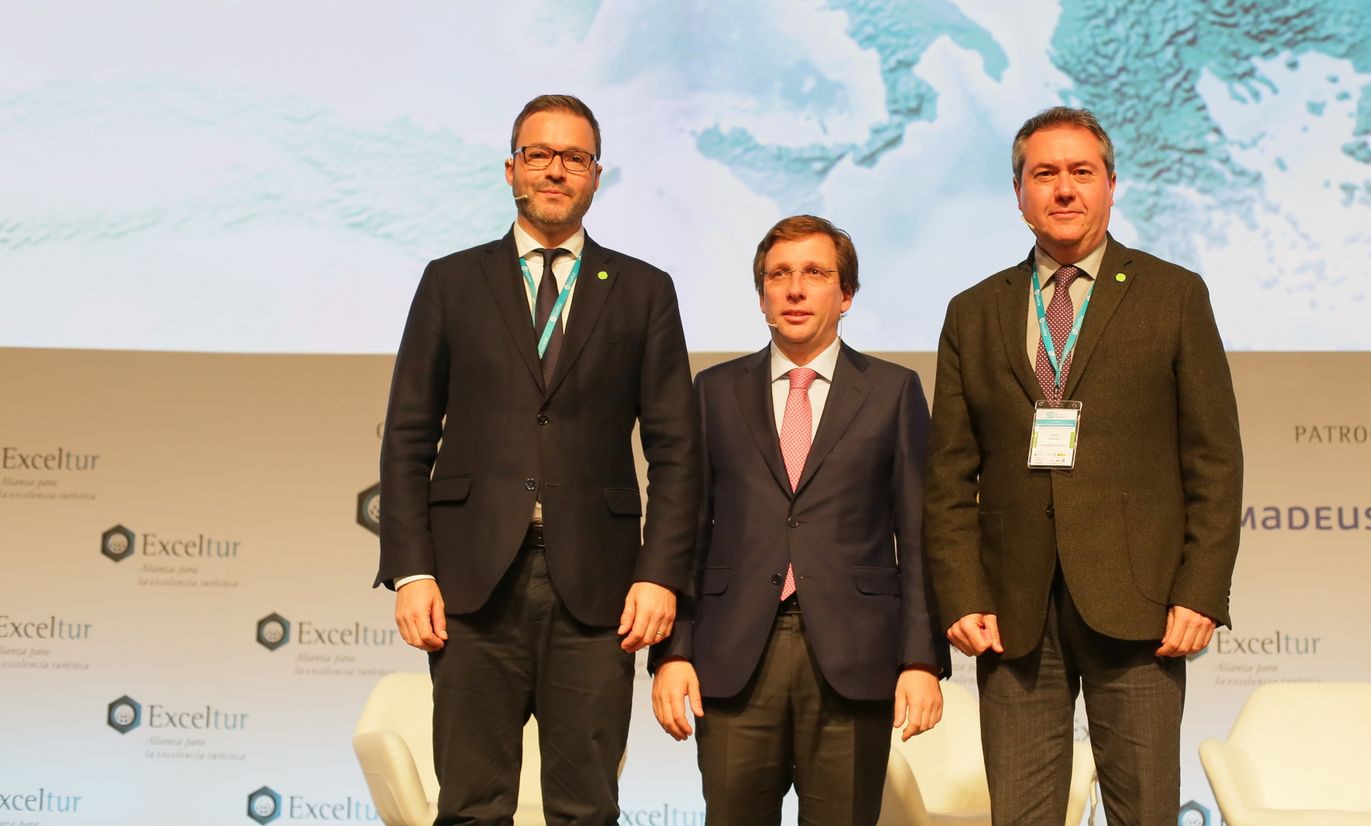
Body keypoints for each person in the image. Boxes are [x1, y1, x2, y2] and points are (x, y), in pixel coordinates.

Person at [376, 94, 700, 826]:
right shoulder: (451, 281)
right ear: (511, 169)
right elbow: (407, 435)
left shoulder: (644, 291)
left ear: (596, 176)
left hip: (599, 588)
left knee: (587, 808)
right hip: (469, 583)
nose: (556, 171)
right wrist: (413, 568)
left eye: (574, 158)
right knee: (470, 806)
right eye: (540, 155)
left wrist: (659, 576)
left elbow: (678, 452)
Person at [923, 107, 1243, 825]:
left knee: (1144, 813)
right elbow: (948, 475)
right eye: (1045, 174)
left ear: (1110, 186)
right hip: (1013, 610)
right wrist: (960, 593)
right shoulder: (973, 311)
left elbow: (1215, 460)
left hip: (1143, 606)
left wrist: (1200, 591)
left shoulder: (1174, 295)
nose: (1063, 189)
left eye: (1080, 173)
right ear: (1019, 195)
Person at [650, 215, 948, 826]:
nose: (794, 289)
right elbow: (685, 527)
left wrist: (920, 659)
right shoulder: (712, 390)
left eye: (814, 273)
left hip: (855, 658)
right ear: (760, 294)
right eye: (778, 275)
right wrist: (672, 651)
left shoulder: (894, 391)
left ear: (846, 296)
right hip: (732, 657)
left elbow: (919, 535)